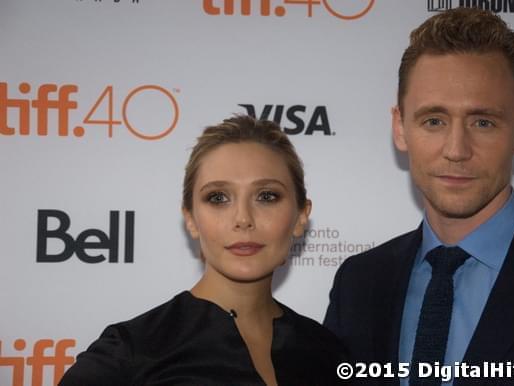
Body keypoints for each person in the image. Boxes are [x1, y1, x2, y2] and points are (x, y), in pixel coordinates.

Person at [324, 7, 514, 386]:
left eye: (483, 122)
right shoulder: (359, 283)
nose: (456, 149)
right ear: (400, 127)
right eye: (434, 121)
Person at [59, 115, 346, 386]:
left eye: (267, 196)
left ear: (300, 216)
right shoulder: (130, 352)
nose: (243, 218)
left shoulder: (327, 352)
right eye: (218, 197)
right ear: (191, 220)